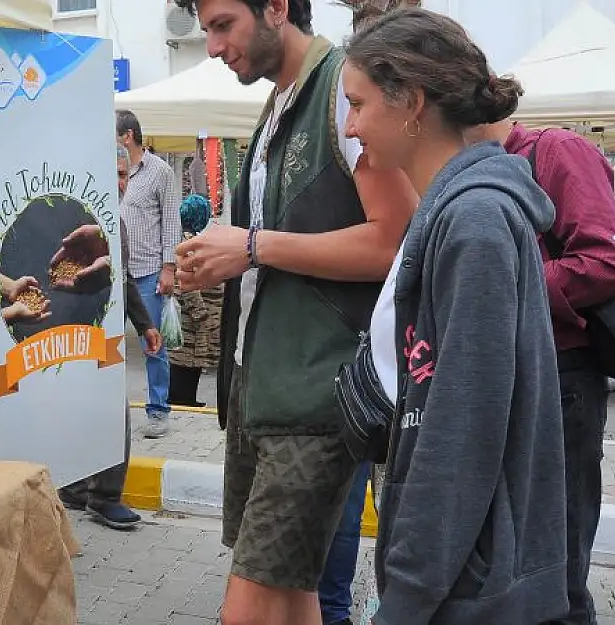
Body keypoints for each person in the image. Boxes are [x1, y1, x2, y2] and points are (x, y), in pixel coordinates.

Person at [172, 1, 415, 623]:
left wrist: (252, 246)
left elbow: (397, 239)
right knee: (290, 595)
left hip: (316, 394)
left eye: (224, 25)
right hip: (270, 390)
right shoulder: (281, 101)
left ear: (277, 7)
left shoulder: (341, 90)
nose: (215, 46)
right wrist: (226, 256)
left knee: (249, 603)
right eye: (205, 31)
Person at [343, 8, 568, 623]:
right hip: (462, 571)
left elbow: (462, 427)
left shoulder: (474, 224)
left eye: (358, 103)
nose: (352, 124)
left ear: (411, 101)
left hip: (468, 585)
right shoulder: (450, 213)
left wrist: (409, 594)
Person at [466, 115, 615, 625]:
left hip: (561, 378)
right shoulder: (469, 170)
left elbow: (605, 259)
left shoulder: (554, 151)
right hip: (503, 375)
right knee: (512, 571)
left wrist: (506, 279)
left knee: (555, 577)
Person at [57, 143, 161, 530]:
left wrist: (145, 323)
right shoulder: (71, 222)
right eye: (109, 174)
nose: (117, 183)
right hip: (66, 336)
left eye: (122, 174)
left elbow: (125, 278)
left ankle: (104, 496)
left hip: (105, 338)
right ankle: (77, 487)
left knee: (115, 412)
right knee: (79, 411)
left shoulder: (115, 224)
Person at [117, 109, 182, 438]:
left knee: (152, 344)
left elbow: (171, 220)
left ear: (127, 136)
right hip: (114, 276)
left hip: (147, 273)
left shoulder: (160, 172)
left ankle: (158, 410)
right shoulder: (110, 171)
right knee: (108, 347)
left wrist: (168, 268)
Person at [168, 194, 222, 408]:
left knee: (194, 358)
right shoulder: (187, 244)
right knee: (185, 358)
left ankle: (188, 398)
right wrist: (201, 313)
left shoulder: (190, 240)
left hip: (195, 315)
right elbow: (186, 284)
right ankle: (181, 399)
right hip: (192, 316)